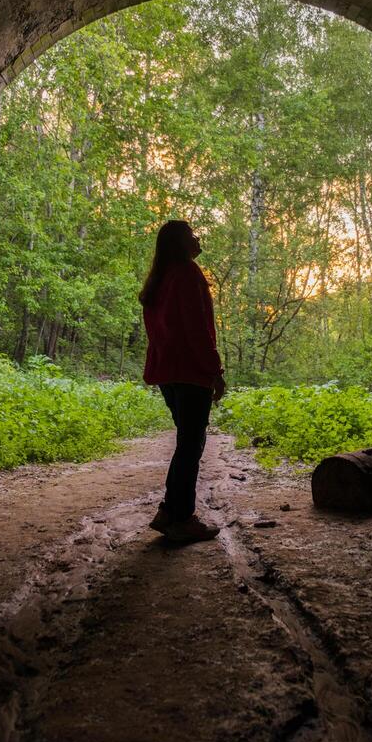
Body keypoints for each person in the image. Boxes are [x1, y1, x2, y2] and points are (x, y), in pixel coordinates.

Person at [140, 220, 226, 543]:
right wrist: (215, 372)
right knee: (191, 445)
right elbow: (197, 331)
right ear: (180, 243)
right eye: (192, 234)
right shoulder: (188, 275)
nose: (198, 237)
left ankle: (169, 512)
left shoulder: (159, 281)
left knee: (186, 442)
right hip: (191, 374)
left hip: (168, 375)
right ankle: (182, 518)